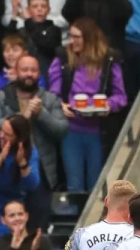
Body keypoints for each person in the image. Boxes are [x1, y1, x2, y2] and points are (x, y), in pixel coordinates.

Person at [0, 54, 66, 230]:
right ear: (15, 72)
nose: (29, 74)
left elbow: (61, 130)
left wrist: (41, 114)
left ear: (39, 74)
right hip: (8, 169)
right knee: (8, 226)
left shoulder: (49, 99)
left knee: (38, 226)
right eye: (25, 70)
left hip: (41, 171)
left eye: (33, 70)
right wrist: (20, 119)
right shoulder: (1, 97)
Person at [49, 18, 127, 192]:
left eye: (77, 37)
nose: (72, 41)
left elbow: (121, 96)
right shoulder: (63, 58)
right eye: (71, 36)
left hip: (98, 130)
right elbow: (52, 93)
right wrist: (61, 106)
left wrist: (108, 105)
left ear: (89, 38)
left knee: (96, 184)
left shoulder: (108, 60)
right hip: (72, 128)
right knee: (74, 184)